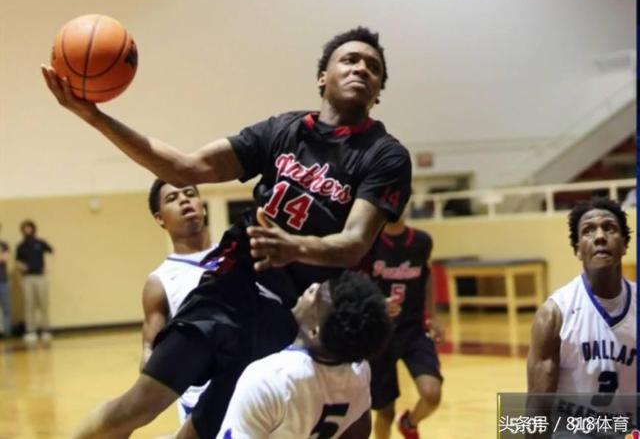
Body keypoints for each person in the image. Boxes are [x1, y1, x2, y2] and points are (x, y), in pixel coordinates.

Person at [44, 26, 412, 439]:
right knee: (139, 404)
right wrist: (95, 117)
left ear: (378, 91)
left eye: (373, 67)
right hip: (231, 289)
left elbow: (355, 243)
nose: (361, 68)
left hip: (291, 318)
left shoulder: (385, 155)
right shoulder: (284, 130)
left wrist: (295, 247)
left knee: (202, 434)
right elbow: (185, 168)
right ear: (322, 77)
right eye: (350, 60)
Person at [217, 271, 392, 439]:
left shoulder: (268, 380)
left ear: (314, 331)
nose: (313, 286)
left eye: (317, 295)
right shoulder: (360, 371)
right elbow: (359, 431)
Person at [527, 198, 636, 426]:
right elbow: (538, 407)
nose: (600, 237)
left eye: (609, 228)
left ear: (625, 244)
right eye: (588, 231)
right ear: (577, 249)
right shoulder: (554, 314)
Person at [142, 179, 218, 423]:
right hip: (201, 402)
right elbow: (150, 350)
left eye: (189, 193)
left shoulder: (236, 255)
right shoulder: (159, 281)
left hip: (250, 388)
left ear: (202, 206)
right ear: (160, 218)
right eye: (172, 198)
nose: (184, 200)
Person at [368, 216, 443, 439]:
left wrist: (433, 316)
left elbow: (427, 277)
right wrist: (377, 303)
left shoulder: (421, 241)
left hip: (413, 330)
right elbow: (356, 281)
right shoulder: (369, 243)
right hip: (379, 334)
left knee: (432, 394)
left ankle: (409, 423)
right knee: (385, 412)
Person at [15, 220, 54, 343]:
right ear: (23, 230)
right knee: (29, 304)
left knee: (43, 303)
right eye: (25, 228)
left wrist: (48, 266)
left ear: (33, 229)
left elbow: (52, 252)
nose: (28, 230)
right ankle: (30, 331)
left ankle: (45, 330)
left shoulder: (40, 243)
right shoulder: (21, 246)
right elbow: (17, 262)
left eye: (29, 228)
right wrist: (20, 267)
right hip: (27, 278)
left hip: (40, 277)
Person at [0, 223, 11, 337]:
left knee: (6, 307)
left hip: (2, 281)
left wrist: (2, 256)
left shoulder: (4, 245)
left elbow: (5, 259)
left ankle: (7, 333)